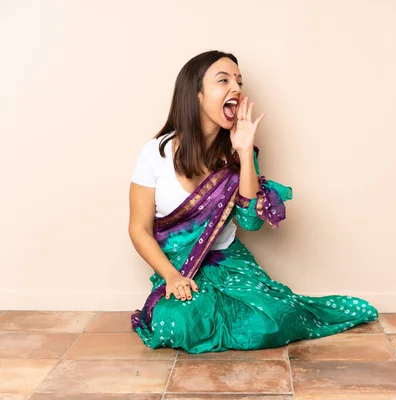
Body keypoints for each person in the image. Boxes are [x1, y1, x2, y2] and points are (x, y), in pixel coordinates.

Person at [129, 50, 379, 353]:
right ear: (195, 94)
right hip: (179, 268)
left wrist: (245, 153)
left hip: (230, 264)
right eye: (224, 80)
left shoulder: (237, 154)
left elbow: (251, 221)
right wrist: (171, 276)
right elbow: (139, 229)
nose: (236, 88)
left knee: (272, 320)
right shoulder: (155, 153)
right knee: (176, 324)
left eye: (239, 81)